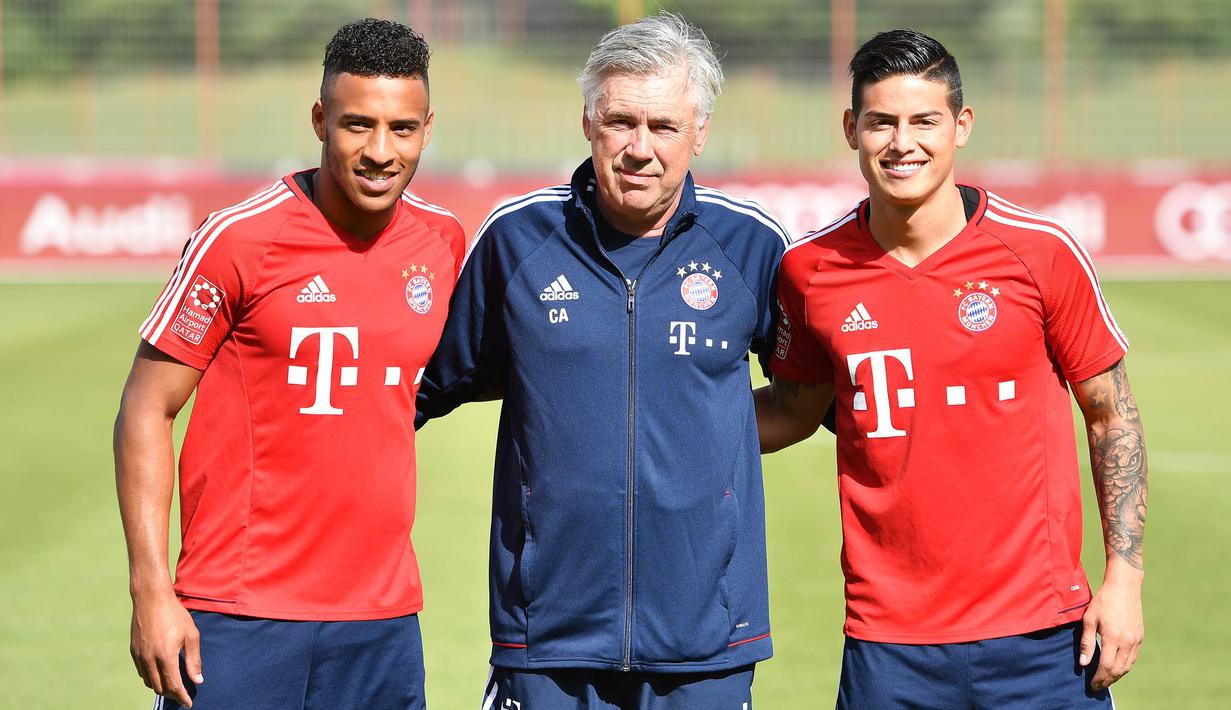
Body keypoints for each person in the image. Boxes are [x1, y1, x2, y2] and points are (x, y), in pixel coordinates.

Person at [755, 28, 1148, 707]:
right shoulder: (809, 270)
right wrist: (650, 425)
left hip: (1043, 635)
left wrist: (1124, 580)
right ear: (851, 129)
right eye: (881, 121)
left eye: (924, 121)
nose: (901, 142)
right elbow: (793, 410)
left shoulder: (1041, 251)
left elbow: (1110, 415)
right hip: (888, 643)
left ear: (961, 126)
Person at [416, 12, 791, 709]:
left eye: (663, 126)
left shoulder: (752, 247)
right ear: (587, 122)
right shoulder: (516, 239)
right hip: (546, 639)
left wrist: (711, 446)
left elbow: (808, 399)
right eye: (620, 121)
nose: (639, 149)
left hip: (706, 643)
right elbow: (418, 389)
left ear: (699, 133)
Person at [113, 19, 464, 709]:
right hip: (238, 613)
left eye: (401, 129)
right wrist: (150, 591)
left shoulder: (444, 241)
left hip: (382, 620)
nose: (380, 152)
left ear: (427, 130)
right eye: (357, 125)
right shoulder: (238, 239)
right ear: (320, 120)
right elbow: (145, 407)